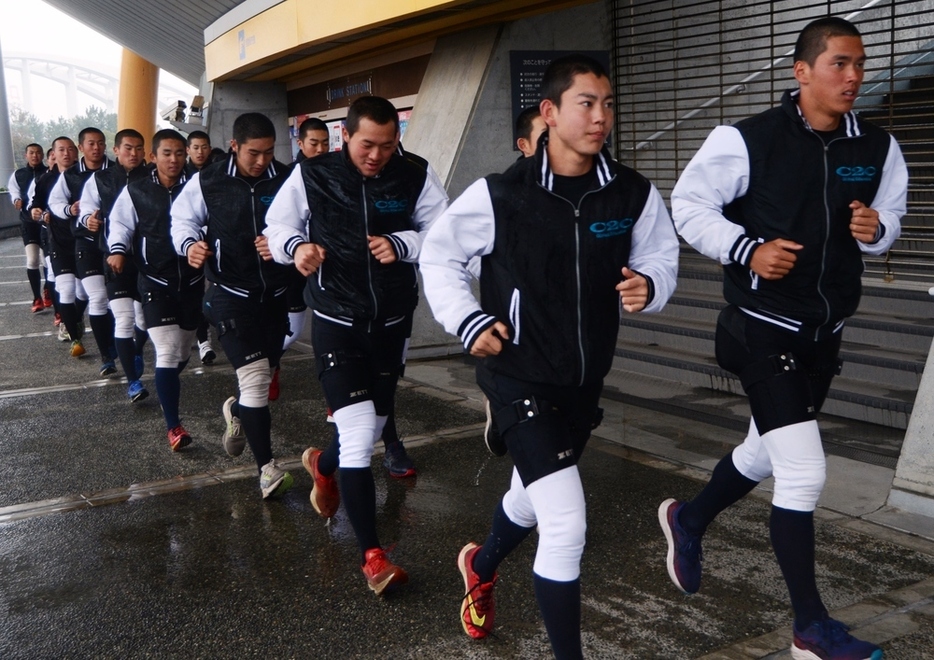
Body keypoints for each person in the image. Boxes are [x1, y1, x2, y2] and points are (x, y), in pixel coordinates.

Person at [659, 17, 906, 660]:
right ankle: (810, 631)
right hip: (760, 327)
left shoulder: (877, 147)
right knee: (804, 471)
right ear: (802, 71)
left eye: (859, 64)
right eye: (839, 64)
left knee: (762, 454)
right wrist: (746, 249)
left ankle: (687, 518)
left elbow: (893, 220)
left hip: (825, 331)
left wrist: (878, 230)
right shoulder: (746, 140)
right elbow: (687, 206)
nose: (854, 76)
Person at [419, 54, 679, 658]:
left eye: (607, 104)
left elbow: (663, 254)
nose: (600, 117)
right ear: (550, 113)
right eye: (586, 103)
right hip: (517, 375)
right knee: (566, 523)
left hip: (582, 382)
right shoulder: (502, 195)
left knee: (530, 499)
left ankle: (480, 563)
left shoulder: (630, 192)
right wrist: (467, 319)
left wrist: (651, 283)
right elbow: (438, 257)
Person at [264, 95, 448, 594]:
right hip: (335, 318)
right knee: (362, 431)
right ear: (348, 135)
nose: (377, 156)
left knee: (374, 423)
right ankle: (373, 555)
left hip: (392, 319)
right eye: (368, 144)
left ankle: (322, 467)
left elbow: (443, 231)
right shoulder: (314, 173)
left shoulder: (414, 173)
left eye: (388, 146)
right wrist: (296, 248)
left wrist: (404, 244)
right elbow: (278, 225)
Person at [171, 112, 295, 500]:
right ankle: (267, 468)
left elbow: (307, 223)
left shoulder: (288, 178)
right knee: (256, 377)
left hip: (274, 296)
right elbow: (181, 220)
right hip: (228, 294)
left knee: (266, 371)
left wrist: (285, 244)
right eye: (254, 153)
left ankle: (237, 412)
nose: (262, 161)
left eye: (270, 152)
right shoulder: (208, 181)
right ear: (236, 147)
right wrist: (190, 245)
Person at [108, 129, 202, 451]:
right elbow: (120, 224)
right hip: (154, 280)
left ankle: (165, 385)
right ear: (154, 156)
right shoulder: (137, 190)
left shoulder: (198, 186)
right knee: (167, 350)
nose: (174, 159)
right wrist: (118, 249)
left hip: (192, 280)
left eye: (179, 153)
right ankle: (174, 426)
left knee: (184, 351)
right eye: (167, 153)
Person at [79, 128, 152, 402]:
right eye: (128, 148)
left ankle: (133, 351)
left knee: (144, 319)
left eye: (138, 148)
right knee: (124, 318)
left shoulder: (153, 177)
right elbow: (86, 208)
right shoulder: (101, 179)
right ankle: (133, 382)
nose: (133, 153)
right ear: (117, 150)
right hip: (115, 257)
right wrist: (89, 220)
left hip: (149, 260)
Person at [49, 127, 117, 376]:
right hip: (84, 242)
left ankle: (119, 343)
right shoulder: (70, 176)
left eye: (100, 143)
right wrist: (71, 211)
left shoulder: (116, 171)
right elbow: (55, 202)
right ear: (82, 147)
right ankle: (106, 355)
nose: (97, 148)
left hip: (116, 243)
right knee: (97, 297)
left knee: (118, 301)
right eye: (91, 144)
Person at [29, 137, 88, 355]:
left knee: (84, 292)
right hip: (56, 240)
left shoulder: (84, 177)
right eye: (61, 150)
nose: (66, 153)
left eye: (70, 149)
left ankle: (75, 317)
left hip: (84, 241)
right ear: (53, 153)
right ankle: (72, 334)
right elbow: (35, 207)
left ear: (77, 152)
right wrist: (40, 213)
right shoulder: (46, 180)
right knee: (65, 288)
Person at [184, 130, 217, 366]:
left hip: (215, 242)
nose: (200, 151)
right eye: (195, 147)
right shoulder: (181, 174)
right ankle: (203, 340)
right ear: (188, 150)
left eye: (204, 146)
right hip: (190, 245)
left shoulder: (218, 172)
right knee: (196, 292)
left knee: (212, 290)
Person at [8, 143, 49, 313]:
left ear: (43, 155)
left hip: (46, 222)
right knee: (32, 260)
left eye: (38, 152)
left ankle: (48, 290)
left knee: (47, 261)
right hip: (28, 222)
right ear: (26, 155)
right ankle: (36, 297)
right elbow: (13, 191)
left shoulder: (49, 173)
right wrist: (16, 200)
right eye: (32, 153)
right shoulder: (19, 174)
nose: (35, 156)